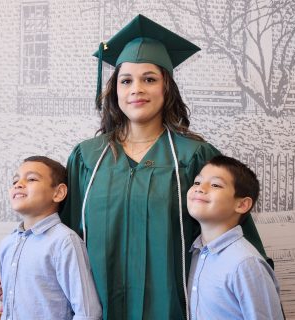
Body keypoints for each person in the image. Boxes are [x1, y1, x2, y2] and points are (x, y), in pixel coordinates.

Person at [59, 14, 271, 319]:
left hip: (172, 308)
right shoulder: (88, 158)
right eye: (126, 80)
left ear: (166, 87)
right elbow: (63, 236)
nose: (136, 89)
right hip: (99, 306)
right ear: (115, 90)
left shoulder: (194, 156)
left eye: (149, 79)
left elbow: (232, 230)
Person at [0, 156, 101, 320]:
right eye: (15, 181)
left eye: (31, 179)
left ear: (58, 192)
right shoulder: (8, 243)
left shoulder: (65, 242)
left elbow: (87, 313)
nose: (18, 184)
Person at [187, 155, 283, 319]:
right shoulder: (196, 253)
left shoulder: (246, 264)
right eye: (197, 182)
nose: (200, 188)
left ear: (242, 204)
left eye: (215, 184)